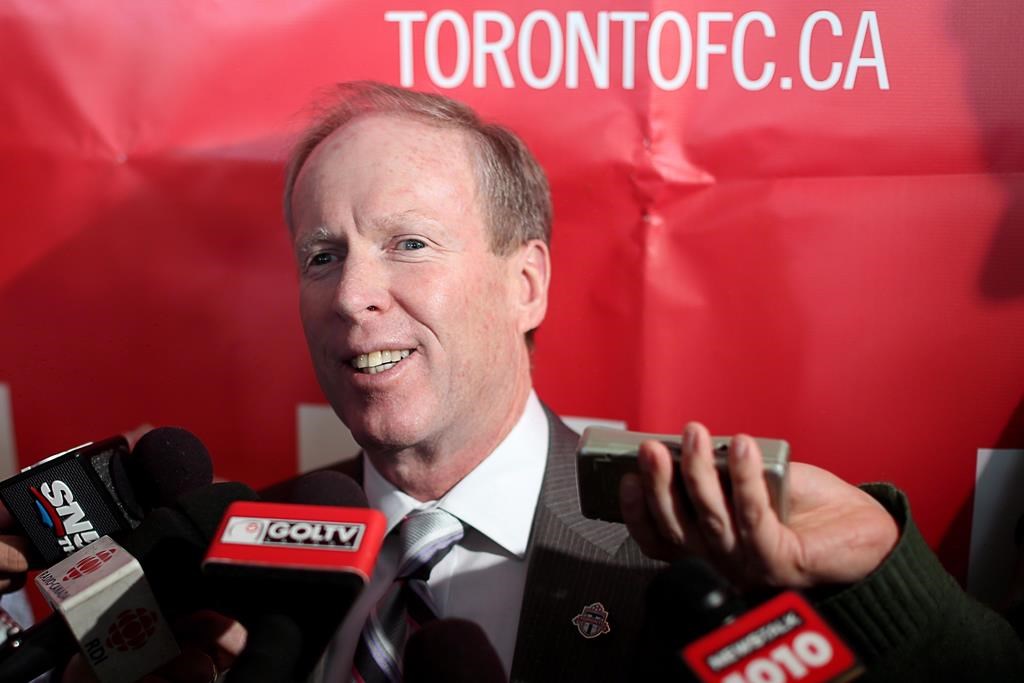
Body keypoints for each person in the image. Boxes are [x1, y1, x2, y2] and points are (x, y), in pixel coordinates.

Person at [276, 81, 1024, 682]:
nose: (350, 294)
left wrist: (879, 578)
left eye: (408, 242)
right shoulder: (247, 552)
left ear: (526, 284)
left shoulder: (698, 554)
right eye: (321, 256)